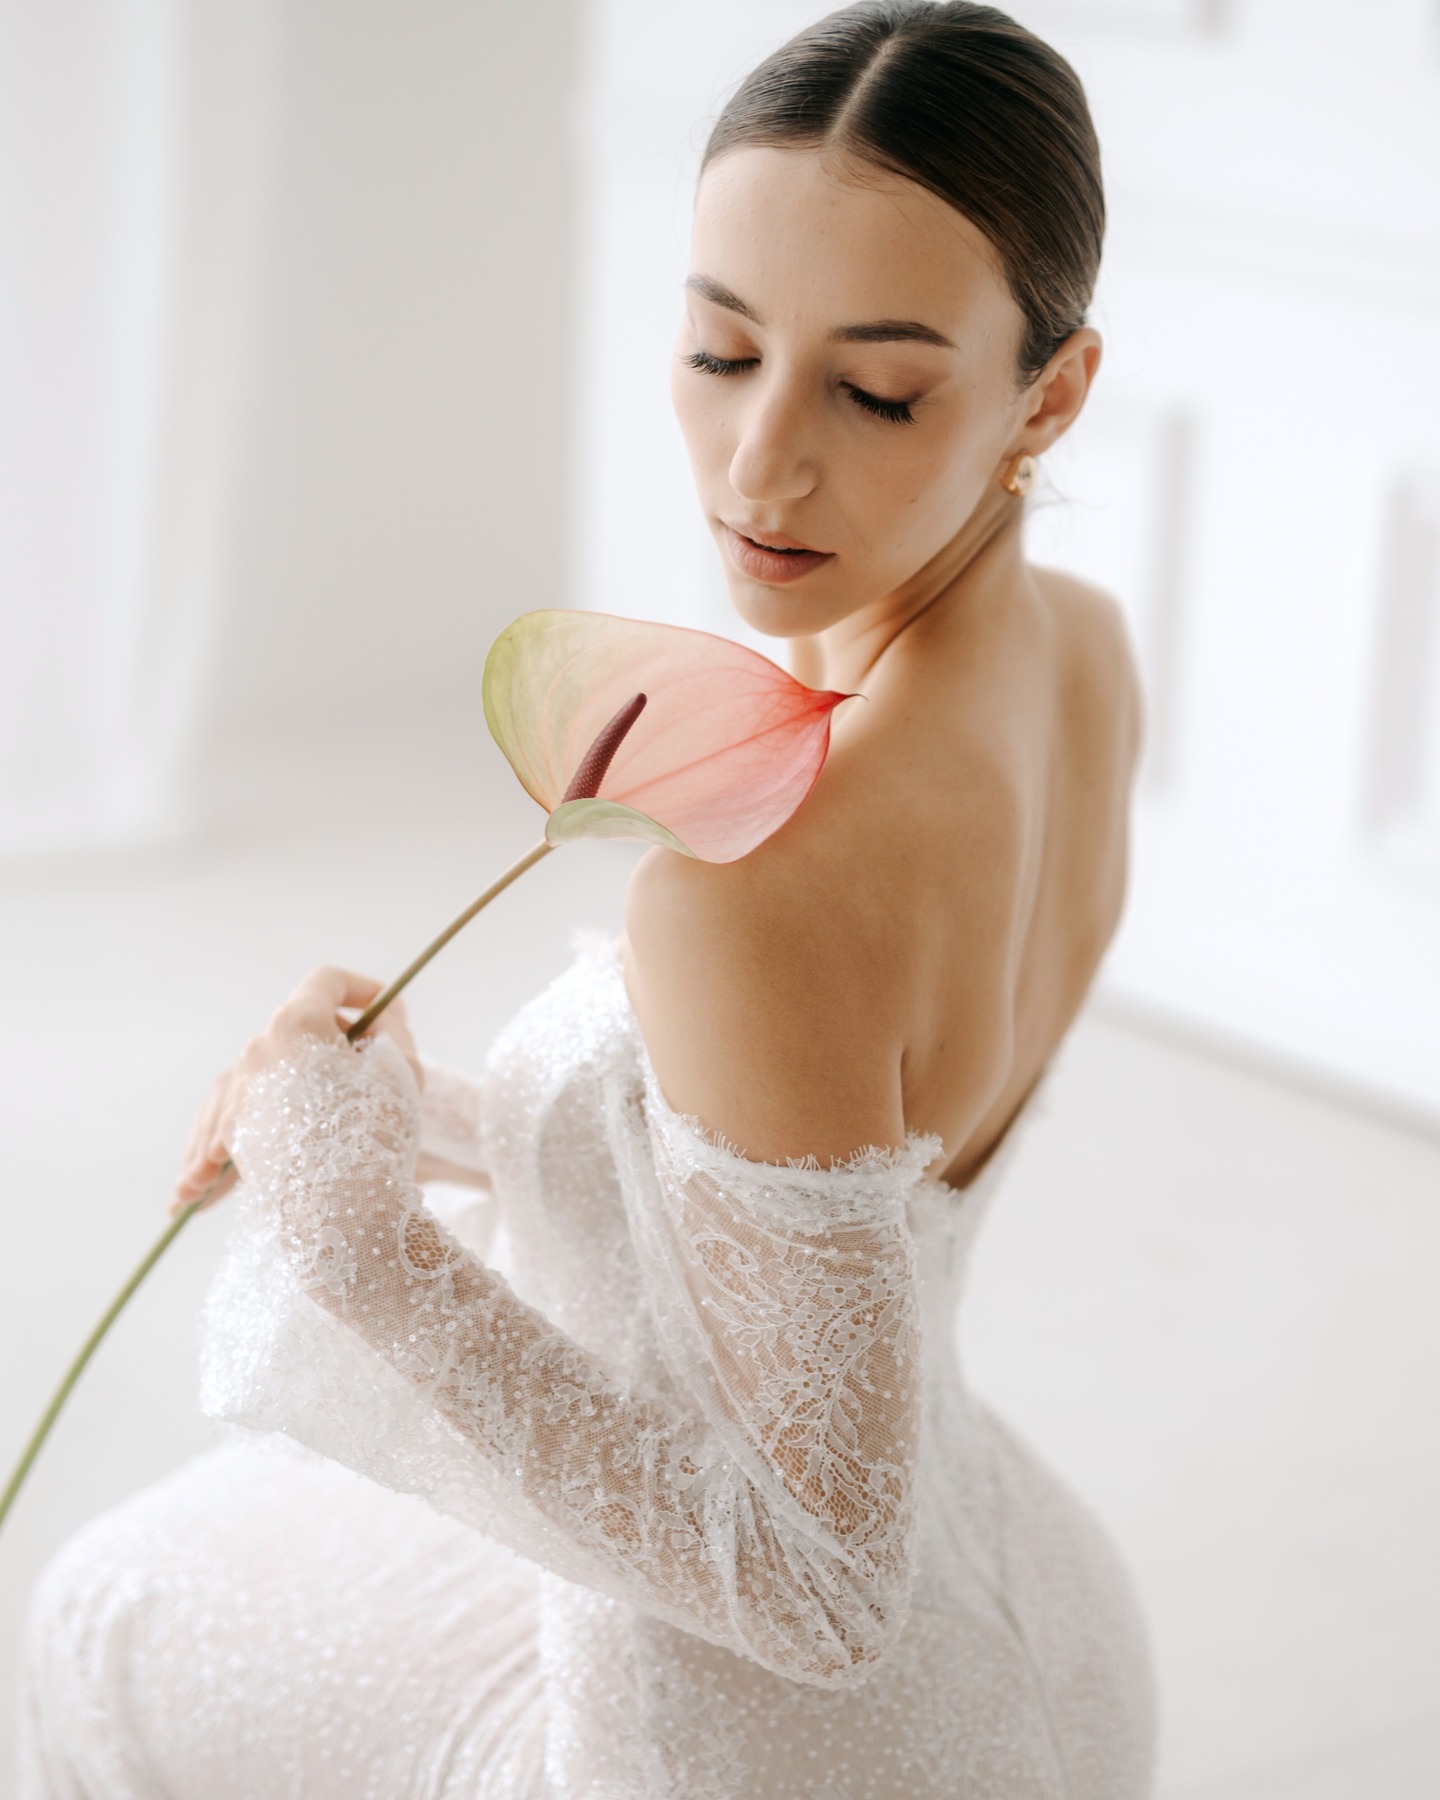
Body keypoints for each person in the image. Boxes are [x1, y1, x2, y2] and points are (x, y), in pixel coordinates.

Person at [19, 3, 1158, 1795]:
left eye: (875, 390)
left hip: (760, 1738)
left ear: (1055, 393)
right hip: (1043, 1616)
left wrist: (362, 1248)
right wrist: (412, 1117)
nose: (759, 461)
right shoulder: (1083, 658)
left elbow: (820, 1588)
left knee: (109, 1602)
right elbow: (822, 1160)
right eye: (721, 349)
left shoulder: (757, 892)